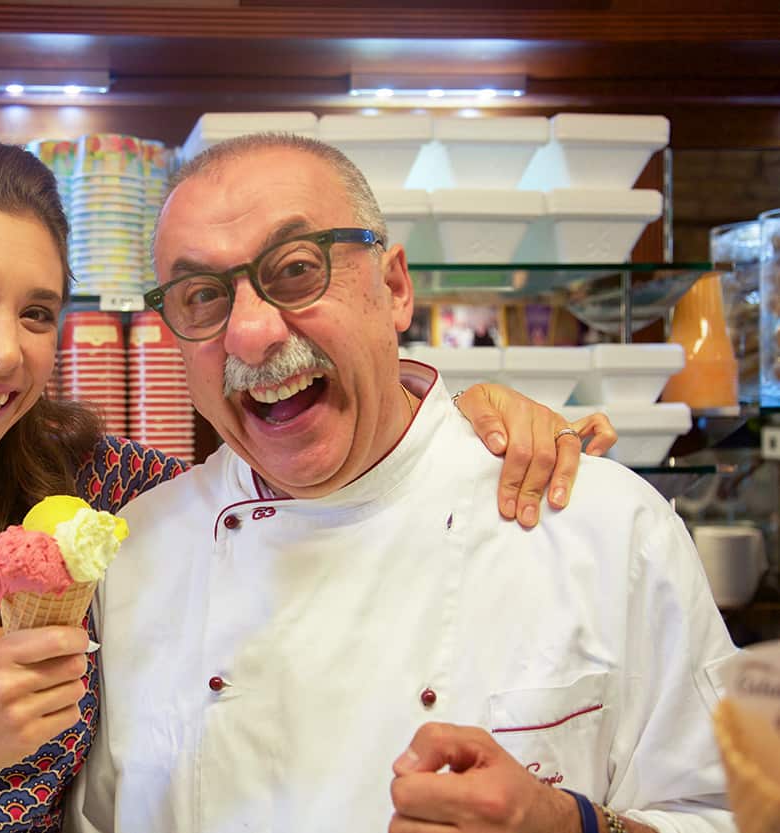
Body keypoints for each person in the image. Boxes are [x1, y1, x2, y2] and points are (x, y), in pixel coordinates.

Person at [0, 130, 609, 833]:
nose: (2, 350)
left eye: (37, 312)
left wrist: (458, 412)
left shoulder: (93, 495)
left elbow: (284, 449)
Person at [69, 134, 737, 833]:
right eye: (201, 296)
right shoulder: (135, 561)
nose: (252, 333)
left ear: (392, 288)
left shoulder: (604, 526)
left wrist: (570, 825)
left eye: (296, 269)